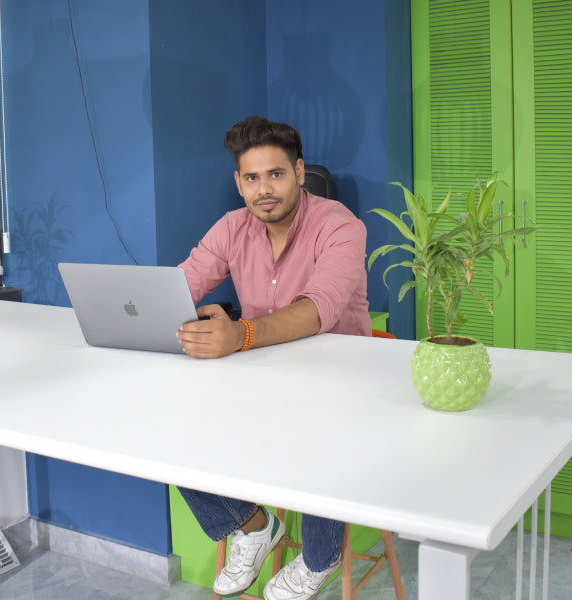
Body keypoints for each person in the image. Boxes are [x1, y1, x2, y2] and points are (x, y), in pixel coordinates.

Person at [174, 116, 371, 600]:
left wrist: (237, 334)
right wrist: (178, 311)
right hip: (263, 374)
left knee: (322, 437)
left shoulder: (341, 226)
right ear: (238, 183)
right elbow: (183, 282)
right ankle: (254, 524)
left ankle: (322, 557)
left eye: (276, 174)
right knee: (167, 427)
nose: (265, 189)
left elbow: (317, 310)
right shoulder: (231, 228)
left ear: (300, 172)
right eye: (252, 178)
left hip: (340, 381)